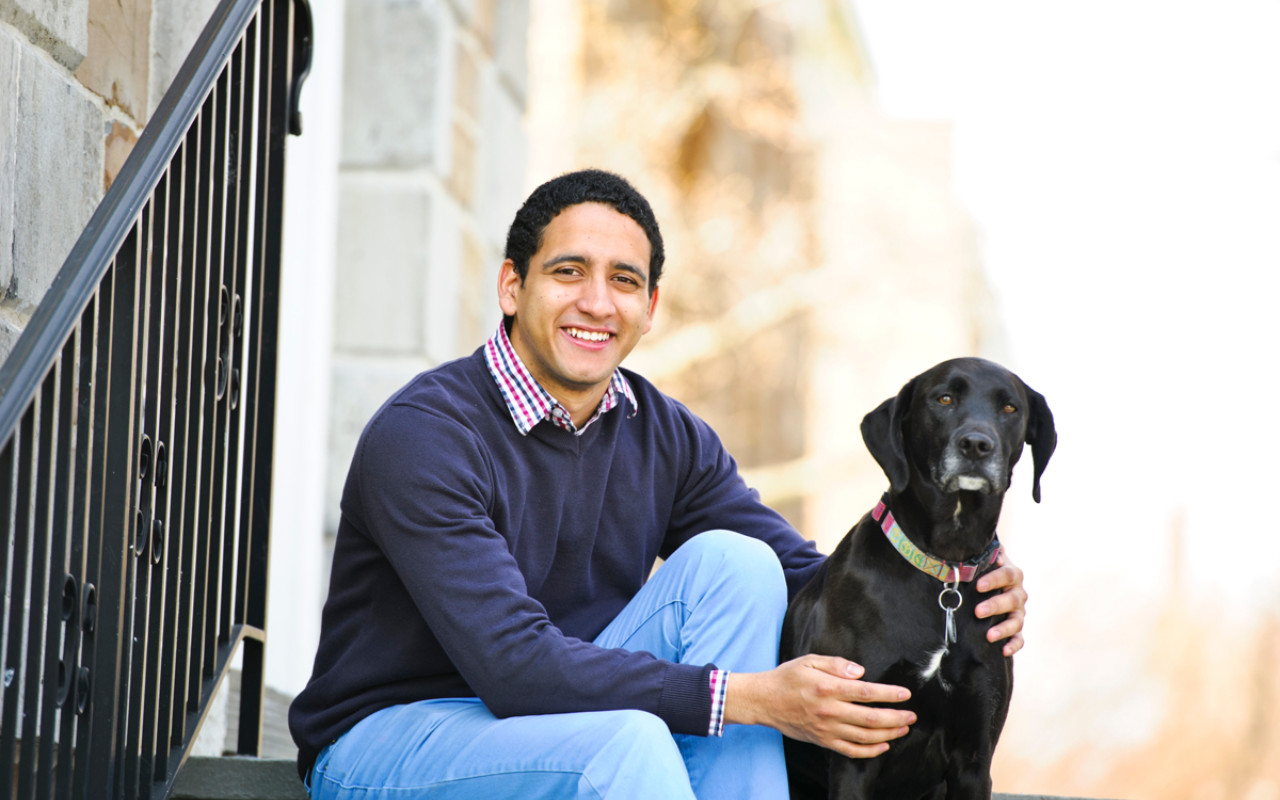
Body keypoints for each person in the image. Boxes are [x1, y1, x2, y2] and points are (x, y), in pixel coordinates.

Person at [288, 169, 1027, 800]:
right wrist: (747, 698)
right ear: (512, 286)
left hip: (566, 719)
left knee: (738, 565)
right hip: (390, 739)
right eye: (568, 271)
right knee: (631, 744)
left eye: (625, 281)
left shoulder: (662, 433)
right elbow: (512, 668)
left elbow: (817, 584)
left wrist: (952, 587)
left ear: (651, 307)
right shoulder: (426, 434)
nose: (597, 303)